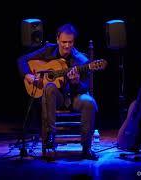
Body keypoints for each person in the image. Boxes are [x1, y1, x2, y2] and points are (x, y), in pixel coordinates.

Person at [17, 23, 98, 160]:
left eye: (70, 42)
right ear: (57, 40)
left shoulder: (82, 61)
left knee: (89, 102)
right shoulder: (48, 50)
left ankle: (86, 149)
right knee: (49, 88)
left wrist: (76, 82)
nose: (67, 46)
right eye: (64, 42)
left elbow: (84, 88)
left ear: (74, 41)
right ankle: (50, 141)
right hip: (54, 98)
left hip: (74, 98)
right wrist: (28, 75)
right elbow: (22, 60)